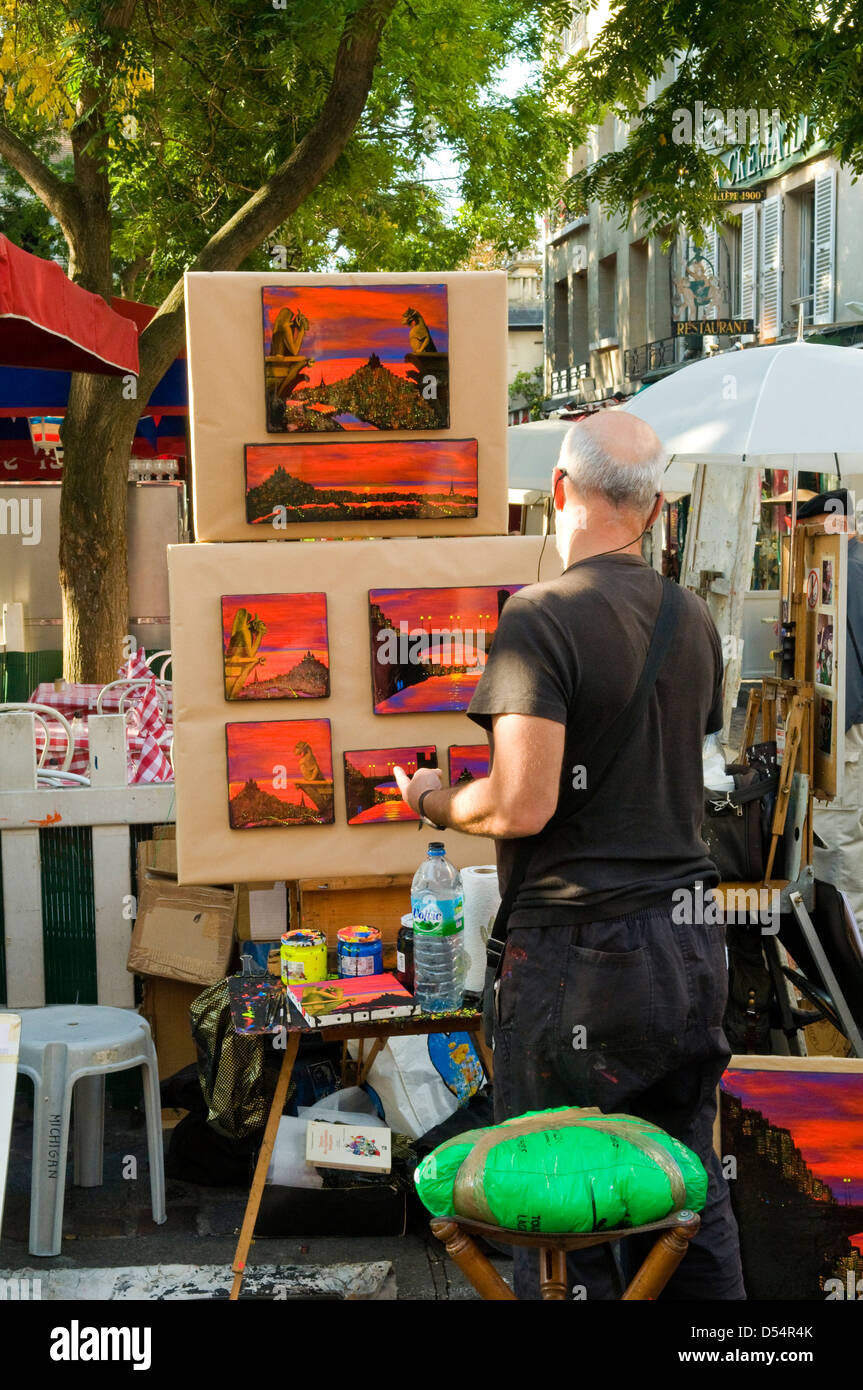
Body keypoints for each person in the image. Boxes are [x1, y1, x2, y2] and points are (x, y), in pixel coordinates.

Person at [394, 411, 745, 1301]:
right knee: (682, 1194)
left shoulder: (539, 616)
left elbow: (521, 803)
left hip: (581, 955)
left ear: (557, 491)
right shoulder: (692, 617)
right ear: (654, 506)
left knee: (559, 1198)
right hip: (690, 942)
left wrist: (428, 801)